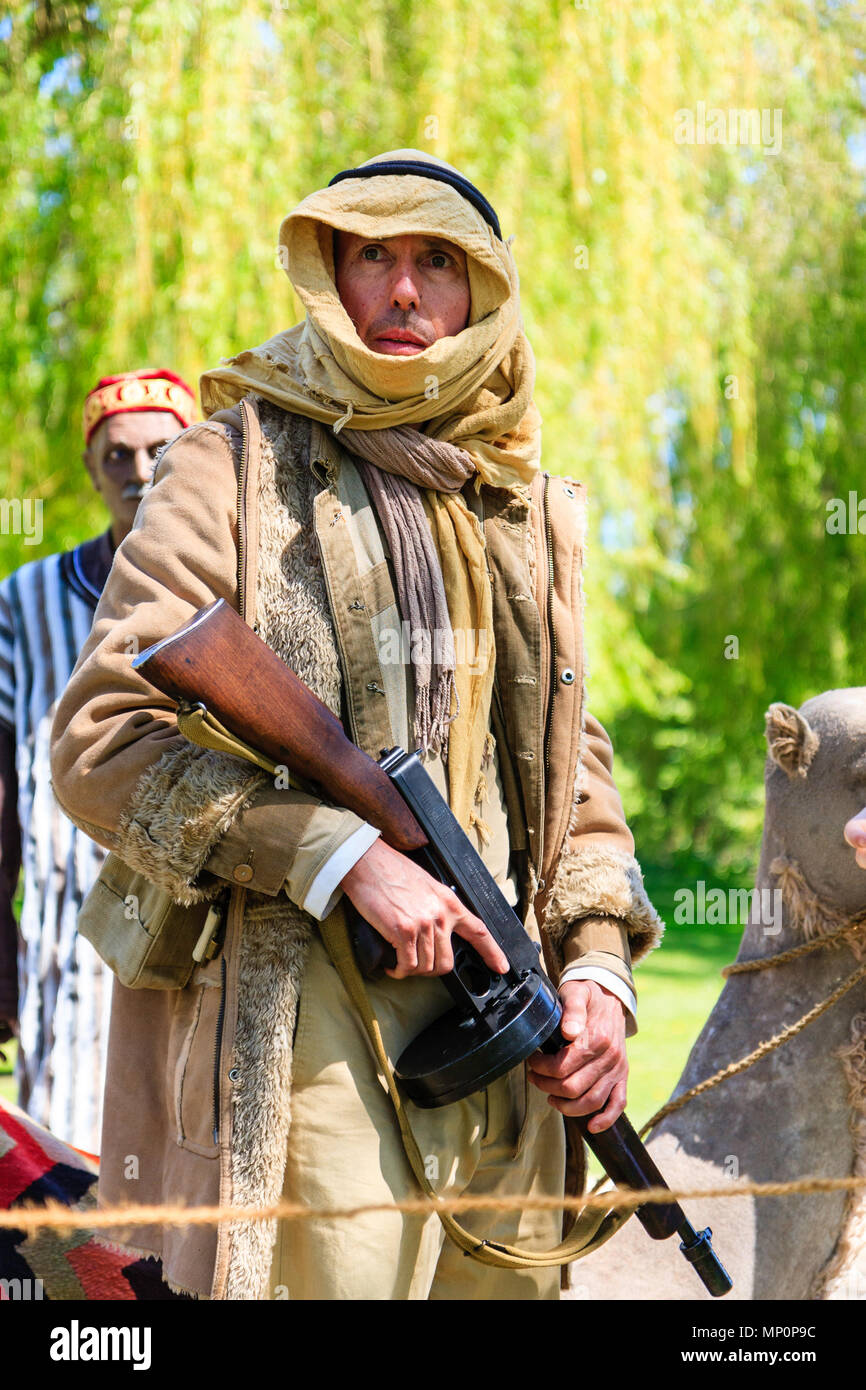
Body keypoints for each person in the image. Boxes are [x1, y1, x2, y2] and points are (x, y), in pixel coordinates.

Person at [50, 151, 663, 1299]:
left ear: (482, 290)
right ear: (326, 271)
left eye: (437, 261)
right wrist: (342, 855)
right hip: (301, 1027)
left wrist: (592, 980)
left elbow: (575, 784)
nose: (400, 292)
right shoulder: (224, 464)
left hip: (509, 1029)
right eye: (370, 255)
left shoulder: (521, 503)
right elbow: (101, 741)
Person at [0, 369, 196, 1152]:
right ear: (91, 467)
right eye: (117, 454)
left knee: (185, 1177)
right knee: (65, 1200)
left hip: (191, 922)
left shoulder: (230, 590)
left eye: (161, 448)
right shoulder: (26, 600)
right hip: (63, 937)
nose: (139, 471)